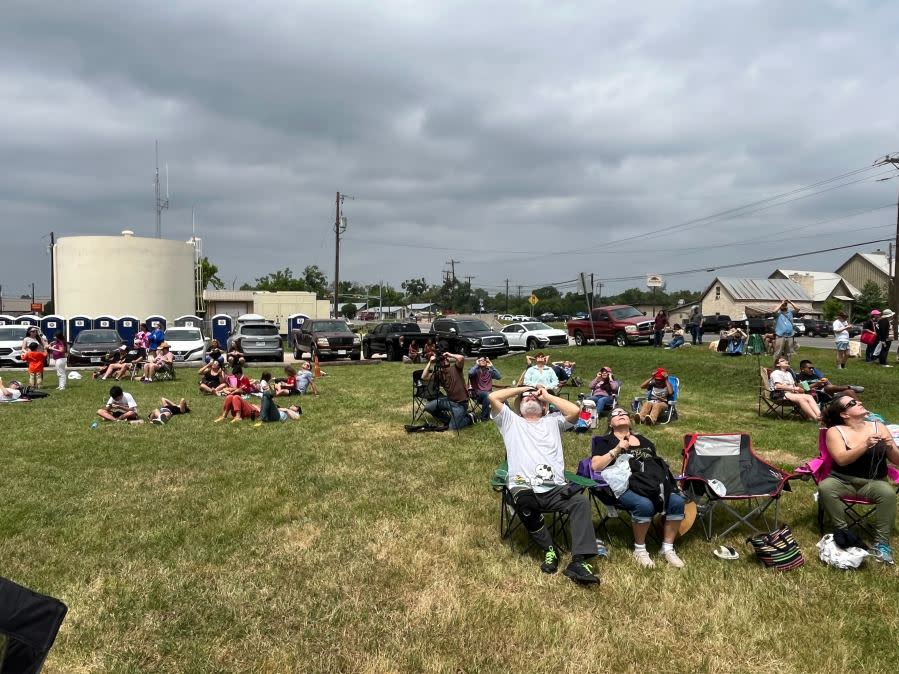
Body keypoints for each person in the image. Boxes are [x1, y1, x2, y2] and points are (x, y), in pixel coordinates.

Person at [487, 384, 600, 585]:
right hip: (524, 485)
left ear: (545, 406)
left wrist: (546, 395)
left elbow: (576, 411)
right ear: (519, 405)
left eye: (535, 398)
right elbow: (494, 397)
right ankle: (550, 549)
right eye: (525, 398)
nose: (530, 398)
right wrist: (523, 388)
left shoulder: (553, 421)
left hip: (555, 487)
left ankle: (579, 561)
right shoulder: (510, 421)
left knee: (580, 502)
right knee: (525, 503)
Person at [591, 407, 686, 568]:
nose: (621, 415)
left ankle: (667, 549)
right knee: (644, 505)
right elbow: (596, 466)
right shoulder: (604, 441)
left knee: (676, 501)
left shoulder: (645, 440)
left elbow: (656, 465)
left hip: (650, 483)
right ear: (610, 423)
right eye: (616, 414)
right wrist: (616, 449)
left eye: (624, 413)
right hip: (623, 485)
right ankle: (640, 550)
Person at [819, 395, 899, 565]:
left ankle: (882, 544)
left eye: (858, 400)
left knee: (889, 494)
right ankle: (844, 533)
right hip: (842, 480)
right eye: (852, 403)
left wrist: (891, 447)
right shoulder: (835, 431)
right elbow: (841, 459)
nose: (859, 402)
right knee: (826, 487)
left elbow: (897, 460)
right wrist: (865, 444)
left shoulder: (879, 427)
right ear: (844, 414)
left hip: (874, 483)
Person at [422, 347, 473, 430]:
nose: (444, 360)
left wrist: (449, 354)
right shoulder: (439, 374)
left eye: (445, 359)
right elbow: (424, 377)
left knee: (452, 428)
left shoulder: (456, 368)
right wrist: (430, 362)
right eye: (442, 360)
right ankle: (447, 419)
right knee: (428, 407)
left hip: (460, 404)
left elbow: (461, 358)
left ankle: (469, 418)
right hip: (449, 401)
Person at [768, 356, 820, 422]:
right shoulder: (776, 373)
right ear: (777, 364)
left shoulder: (789, 373)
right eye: (783, 361)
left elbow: (793, 385)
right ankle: (816, 419)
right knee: (801, 399)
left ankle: (819, 416)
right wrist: (795, 388)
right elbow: (778, 386)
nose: (786, 361)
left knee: (809, 396)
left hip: (791, 393)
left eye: (786, 360)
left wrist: (797, 390)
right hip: (779, 394)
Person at [796, 359, 864, 405]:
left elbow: (831, 385)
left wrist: (825, 382)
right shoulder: (800, 377)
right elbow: (803, 389)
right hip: (816, 395)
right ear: (802, 369)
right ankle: (849, 386)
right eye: (809, 368)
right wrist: (816, 384)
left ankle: (865, 412)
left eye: (812, 368)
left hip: (829, 394)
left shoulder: (815, 375)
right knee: (828, 387)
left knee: (850, 391)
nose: (811, 369)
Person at [468, 355, 501, 421]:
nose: (483, 361)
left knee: (501, 395)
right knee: (487, 395)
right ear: (478, 361)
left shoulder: (489, 371)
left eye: (484, 360)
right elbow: (470, 373)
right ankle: (483, 418)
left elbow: (499, 376)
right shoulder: (475, 370)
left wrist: (492, 366)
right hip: (478, 395)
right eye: (481, 360)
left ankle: (506, 414)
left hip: (489, 394)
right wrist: (477, 364)